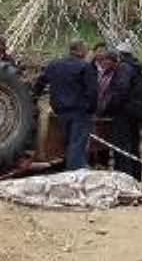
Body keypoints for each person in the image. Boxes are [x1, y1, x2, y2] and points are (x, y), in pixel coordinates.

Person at [32, 39, 97, 170]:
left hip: (60, 112)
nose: (87, 52)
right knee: (77, 146)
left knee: (67, 144)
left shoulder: (55, 64)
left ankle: (68, 172)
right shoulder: (85, 66)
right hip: (80, 112)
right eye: (86, 49)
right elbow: (92, 91)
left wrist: (34, 97)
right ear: (79, 50)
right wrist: (91, 109)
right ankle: (75, 175)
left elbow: (40, 81)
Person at [98, 49, 142, 180]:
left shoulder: (123, 69)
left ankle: (125, 178)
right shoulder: (135, 68)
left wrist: (105, 109)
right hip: (135, 112)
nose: (104, 65)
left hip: (124, 113)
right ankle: (136, 177)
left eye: (105, 61)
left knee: (122, 147)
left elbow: (120, 91)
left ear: (113, 59)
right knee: (133, 146)